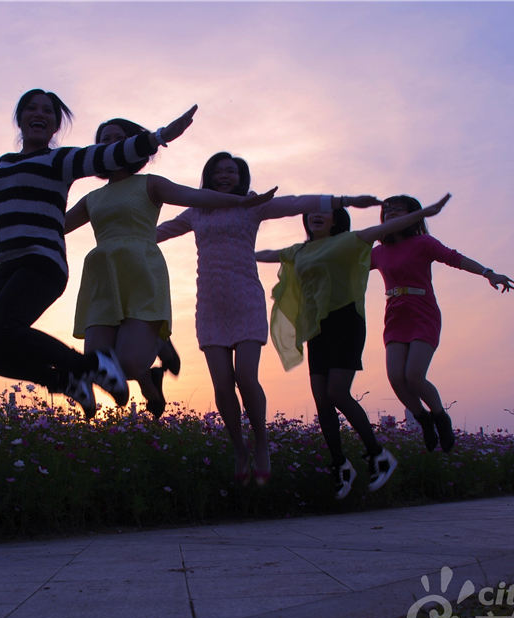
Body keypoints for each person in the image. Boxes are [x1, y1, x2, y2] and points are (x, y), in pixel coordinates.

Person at [0, 89, 198, 419]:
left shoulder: (59, 161)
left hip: (42, 263)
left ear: (55, 127)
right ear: (20, 119)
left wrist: (158, 137)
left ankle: (92, 366)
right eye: (31, 108)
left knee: (2, 329)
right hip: (5, 269)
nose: (39, 114)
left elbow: (107, 155)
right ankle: (64, 379)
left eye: (48, 112)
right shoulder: (0, 167)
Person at [156, 151, 380, 485]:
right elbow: (157, 232)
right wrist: (118, 236)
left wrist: (343, 200)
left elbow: (294, 202)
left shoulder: (253, 205)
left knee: (246, 377)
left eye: (231, 171)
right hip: (211, 305)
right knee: (222, 384)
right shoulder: (197, 211)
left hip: (245, 298)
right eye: (218, 171)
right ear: (209, 176)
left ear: (240, 176)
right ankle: (239, 448)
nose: (225, 176)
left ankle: (261, 442)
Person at [64, 120, 277, 419]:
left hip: (141, 273)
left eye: (118, 138)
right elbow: (55, 226)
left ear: (132, 145)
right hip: (102, 277)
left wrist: (241, 201)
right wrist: (12, 245)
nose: (111, 144)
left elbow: (195, 196)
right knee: (96, 361)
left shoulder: (150, 184)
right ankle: (153, 371)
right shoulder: (92, 199)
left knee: (127, 363)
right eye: (104, 140)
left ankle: (155, 353)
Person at [257, 194, 452, 499]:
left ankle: (378, 455)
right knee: (322, 400)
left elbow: (392, 226)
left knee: (337, 392)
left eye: (322, 212)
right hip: (317, 327)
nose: (314, 216)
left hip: (346, 322)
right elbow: (269, 254)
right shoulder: (300, 250)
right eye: (310, 213)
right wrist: (237, 251)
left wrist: (426, 212)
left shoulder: (352, 241)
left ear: (336, 218)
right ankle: (340, 465)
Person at [370, 195, 514, 452]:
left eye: (397, 209)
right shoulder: (378, 252)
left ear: (413, 215)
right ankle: (423, 419)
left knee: (414, 375)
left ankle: (440, 417)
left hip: (422, 311)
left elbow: (454, 258)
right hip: (394, 313)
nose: (390, 212)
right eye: (387, 209)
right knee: (395, 377)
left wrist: (488, 273)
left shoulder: (423, 243)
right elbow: (346, 267)